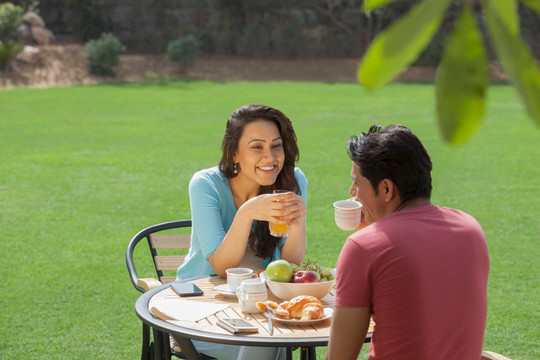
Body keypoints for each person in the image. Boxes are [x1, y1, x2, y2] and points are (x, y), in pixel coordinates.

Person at [326, 125, 489, 360]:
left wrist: (370, 238)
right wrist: (377, 230)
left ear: (386, 189)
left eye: (357, 183)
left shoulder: (363, 247)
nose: (352, 192)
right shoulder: (470, 229)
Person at [177, 104, 307, 360]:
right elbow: (222, 267)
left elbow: (290, 264)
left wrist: (299, 221)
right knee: (270, 342)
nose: (270, 158)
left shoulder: (293, 180)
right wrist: (247, 212)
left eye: (276, 145)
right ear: (234, 153)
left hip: (260, 304)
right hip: (203, 308)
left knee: (272, 338)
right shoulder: (206, 185)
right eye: (257, 147)